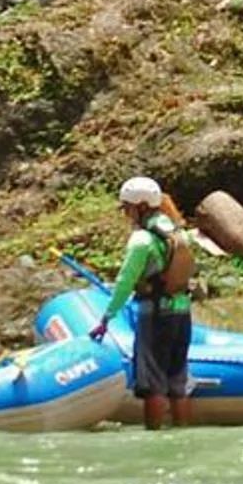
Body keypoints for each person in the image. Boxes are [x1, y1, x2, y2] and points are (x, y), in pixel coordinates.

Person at [89, 176, 197, 430]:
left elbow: (126, 282)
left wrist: (106, 318)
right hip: (183, 314)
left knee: (153, 385)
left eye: (127, 208)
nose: (126, 214)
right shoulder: (179, 233)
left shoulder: (142, 240)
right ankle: (182, 430)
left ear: (141, 206)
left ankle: (154, 435)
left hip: (156, 317)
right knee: (177, 383)